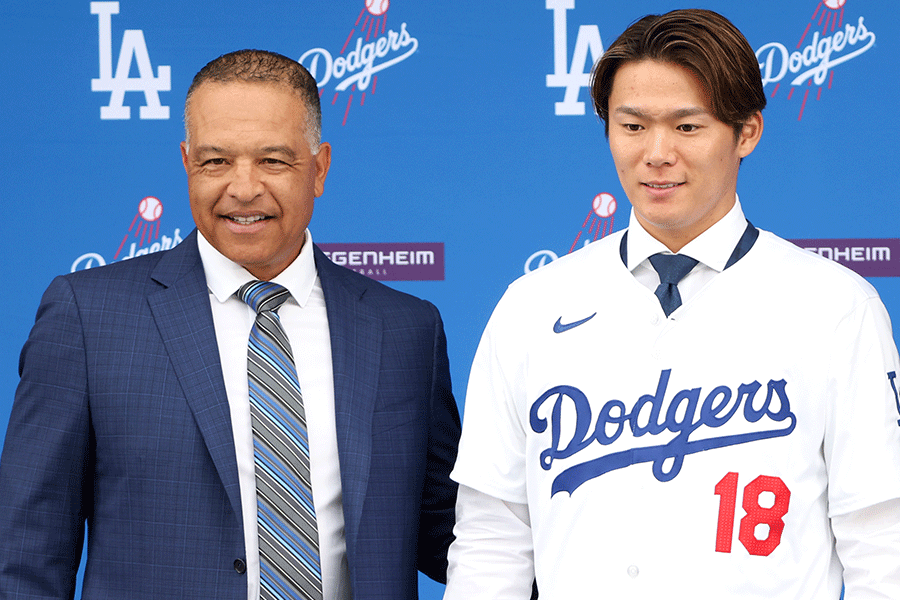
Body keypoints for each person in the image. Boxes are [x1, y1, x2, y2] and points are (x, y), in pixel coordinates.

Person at [443, 9, 900, 599]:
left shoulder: (835, 306)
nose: (656, 154)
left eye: (687, 127)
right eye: (632, 126)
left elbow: (881, 539)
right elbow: (493, 537)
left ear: (747, 132)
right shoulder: (532, 306)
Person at [0, 49, 460, 600]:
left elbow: (455, 535)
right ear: (187, 162)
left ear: (319, 169)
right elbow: (26, 550)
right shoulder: (89, 317)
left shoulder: (406, 328)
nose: (243, 189)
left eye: (273, 161)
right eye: (216, 162)